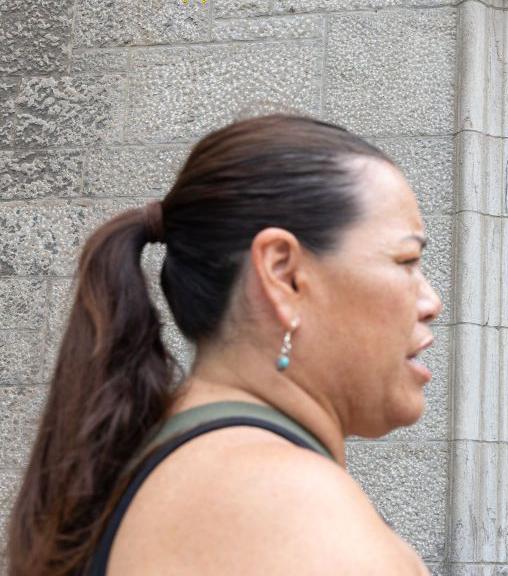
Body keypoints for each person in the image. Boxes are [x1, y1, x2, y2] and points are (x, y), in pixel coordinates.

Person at [5, 114, 443, 575]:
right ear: (283, 275)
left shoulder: (165, 463)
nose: (431, 301)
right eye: (407, 260)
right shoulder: (286, 506)